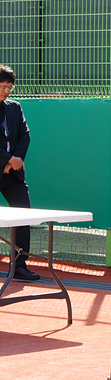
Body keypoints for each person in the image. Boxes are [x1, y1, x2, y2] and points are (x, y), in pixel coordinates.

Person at [0, 65, 40, 282]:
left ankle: (19, 266)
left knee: (24, 216)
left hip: (13, 175)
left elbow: (25, 135)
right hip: (7, 165)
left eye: (10, 87)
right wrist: (7, 159)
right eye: (3, 86)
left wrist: (16, 160)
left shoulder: (14, 108)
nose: (7, 90)